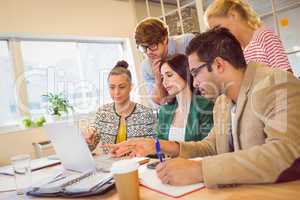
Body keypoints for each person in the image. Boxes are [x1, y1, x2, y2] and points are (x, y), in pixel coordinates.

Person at [109, 27, 300, 188]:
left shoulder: (276, 84)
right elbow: (211, 145)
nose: (194, 81)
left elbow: (285, 154)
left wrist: (200, 170)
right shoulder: (222, 102)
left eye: (195, 73)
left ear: (218, 65)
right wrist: (156, 145)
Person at [84, 60, 156, 152]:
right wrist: (88, 140)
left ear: (131, 87)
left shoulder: (145, 113)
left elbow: (153, 150)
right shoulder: (102, 112)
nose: (116, 92)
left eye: (122, 87)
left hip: (136, 164)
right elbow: (90, 147)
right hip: (109, 165)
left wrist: (132, 148)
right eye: (112, 87)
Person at [204, 0, 293, 73]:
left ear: (233, 15)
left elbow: (286, 78)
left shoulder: (264, 37)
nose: (218, 35)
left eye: (218, 28)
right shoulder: (239, 52)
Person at [135, 17, 194, 105]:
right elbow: (160, 102)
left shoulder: (187, 43)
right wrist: (158, 80)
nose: (148, 52)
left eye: (152, 46)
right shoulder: (146, 67)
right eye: (143, 47)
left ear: (165, 39)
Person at [157, 54, 213, 142]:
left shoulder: (205, 106)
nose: (164, 82)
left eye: (169, 75)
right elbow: (159, 146)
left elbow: (208, 147)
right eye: (162, 77)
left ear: (184, 73)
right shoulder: (164, 111)